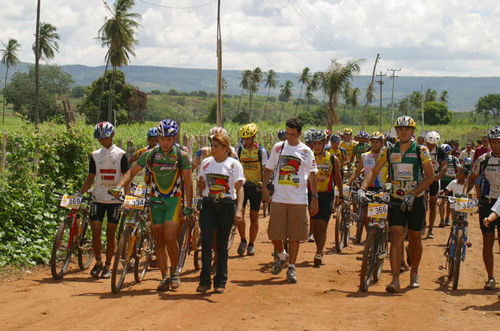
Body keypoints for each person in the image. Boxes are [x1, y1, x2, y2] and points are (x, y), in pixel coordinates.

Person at [357, 116, 434, 293]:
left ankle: (414, 272)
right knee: (396, 235)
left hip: (416, 198)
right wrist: (362, 188)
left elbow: (430, 177)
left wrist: (414, 194)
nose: (403, 132)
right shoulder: (389, 150)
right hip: (396, 198)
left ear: (412, 131)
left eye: (407, 129)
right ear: (396, 131)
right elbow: (374, 171)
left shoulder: (421, 150)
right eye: (400, 129)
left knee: (415, 238)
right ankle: (395, 280)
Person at [114, 119, 193, 292]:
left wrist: (188, 205)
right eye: (162, 139)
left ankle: (174, 272)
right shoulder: (150, 154)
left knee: (170, 237)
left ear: (174, 138)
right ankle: (164, 276)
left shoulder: (182, 155)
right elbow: (132, 172)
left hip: (173, 201)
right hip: (155, 202)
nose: (165, 143)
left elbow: (188, 181)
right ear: (158, 138)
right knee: (159, 241)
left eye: (169, 139)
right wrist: (118, 186)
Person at [262, 118, 319, 283]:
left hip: (299, 200)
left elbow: (313, 175)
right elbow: (268, 169)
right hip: (279, 198)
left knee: (294, 236)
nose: (289, 137)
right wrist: (265, 188)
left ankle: (292, 268)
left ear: (300, 134)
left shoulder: (306, 151)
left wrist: (314, 197)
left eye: (293, 134)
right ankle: (281, 255)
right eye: (287, 133)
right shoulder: (278, 148)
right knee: (274, 233)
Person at [196, 133, 245, 293]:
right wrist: (200, 185)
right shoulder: (206, 163)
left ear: (225, 148)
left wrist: (239, 209)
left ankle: (220, 281)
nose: (213, 149)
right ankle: (204, 281)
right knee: (206, 241)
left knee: (222, 245)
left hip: (226, 205)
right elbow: (201, 188)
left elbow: (239, 188)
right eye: (212, 146)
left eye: (216, 146)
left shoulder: (234, 165)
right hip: (209, 204)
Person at [80, 121, 129, 279]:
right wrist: (79, 194)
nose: (103, 141)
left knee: (110, 233)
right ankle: (98, 262)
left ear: (112, 136)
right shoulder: (95, 155)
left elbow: (127, 177)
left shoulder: (121, 154)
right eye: (100, 138)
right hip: (98, 196)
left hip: (115, 199)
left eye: (105, 138)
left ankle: (108, 264)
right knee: (95, 231)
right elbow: (90, 177)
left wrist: (127, 199)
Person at [467, 126, 500, 291]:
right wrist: (465, 193)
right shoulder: (483, 159)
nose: (496, 145)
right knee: (487, 241)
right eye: (494, 142)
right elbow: (473, 177)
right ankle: (490, 277)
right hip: (487, 203)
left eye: (499, 142)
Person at [308, 129, 343, 267]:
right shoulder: (308, 157)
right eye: (315, 144)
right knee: (315, 225)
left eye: (319, 144)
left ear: (324, 144)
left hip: (327, 195)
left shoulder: (333, 159)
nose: (317, 146)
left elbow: (338, 178)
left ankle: (319, 251)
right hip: (312, 195)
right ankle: (319, 248)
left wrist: (340, 194)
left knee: (323, 225)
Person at [236, 123, 268, 256]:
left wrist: (266, 187)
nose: (246, 141)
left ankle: (251, 244)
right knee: (239, 217)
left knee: (254, 218)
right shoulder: (239, 150)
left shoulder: (261, 151)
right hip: (243, 187)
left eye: (248, 138)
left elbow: (266, 170)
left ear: (254, 137)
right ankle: (243, 240)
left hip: (256, 188)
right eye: (244, 139)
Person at [349, 131, 388, 238]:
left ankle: (382, 236)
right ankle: (369, 236)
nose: (375, 144)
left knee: (382, 216)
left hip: (382, 189)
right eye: (373, 142)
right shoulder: (364, 156)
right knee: (366, 215)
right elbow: (357, 172)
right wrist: (348, 184)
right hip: (367, 188)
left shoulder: (386, 156)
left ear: (381, 143)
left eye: (377, 142)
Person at [425, 131, 447, 239]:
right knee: (422, 202)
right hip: (423, 178)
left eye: (433, 145)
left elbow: (444, 166)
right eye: (429, 144)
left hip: (434, 178)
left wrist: (439, 177)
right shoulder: (421, 150)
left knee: (433, 205)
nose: (430, 146)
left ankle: (431, 229)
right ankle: (422, 224)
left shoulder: (440, 151)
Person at [439, 143, 459, 227]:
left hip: (452, 182)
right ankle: (442, 219)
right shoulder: (439, 159)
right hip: (442, 181)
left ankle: (447, 218)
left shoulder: (454, 159)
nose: (445, 154)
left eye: (446, 152)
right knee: (442, 201)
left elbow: (458, 170)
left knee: (449, 202)